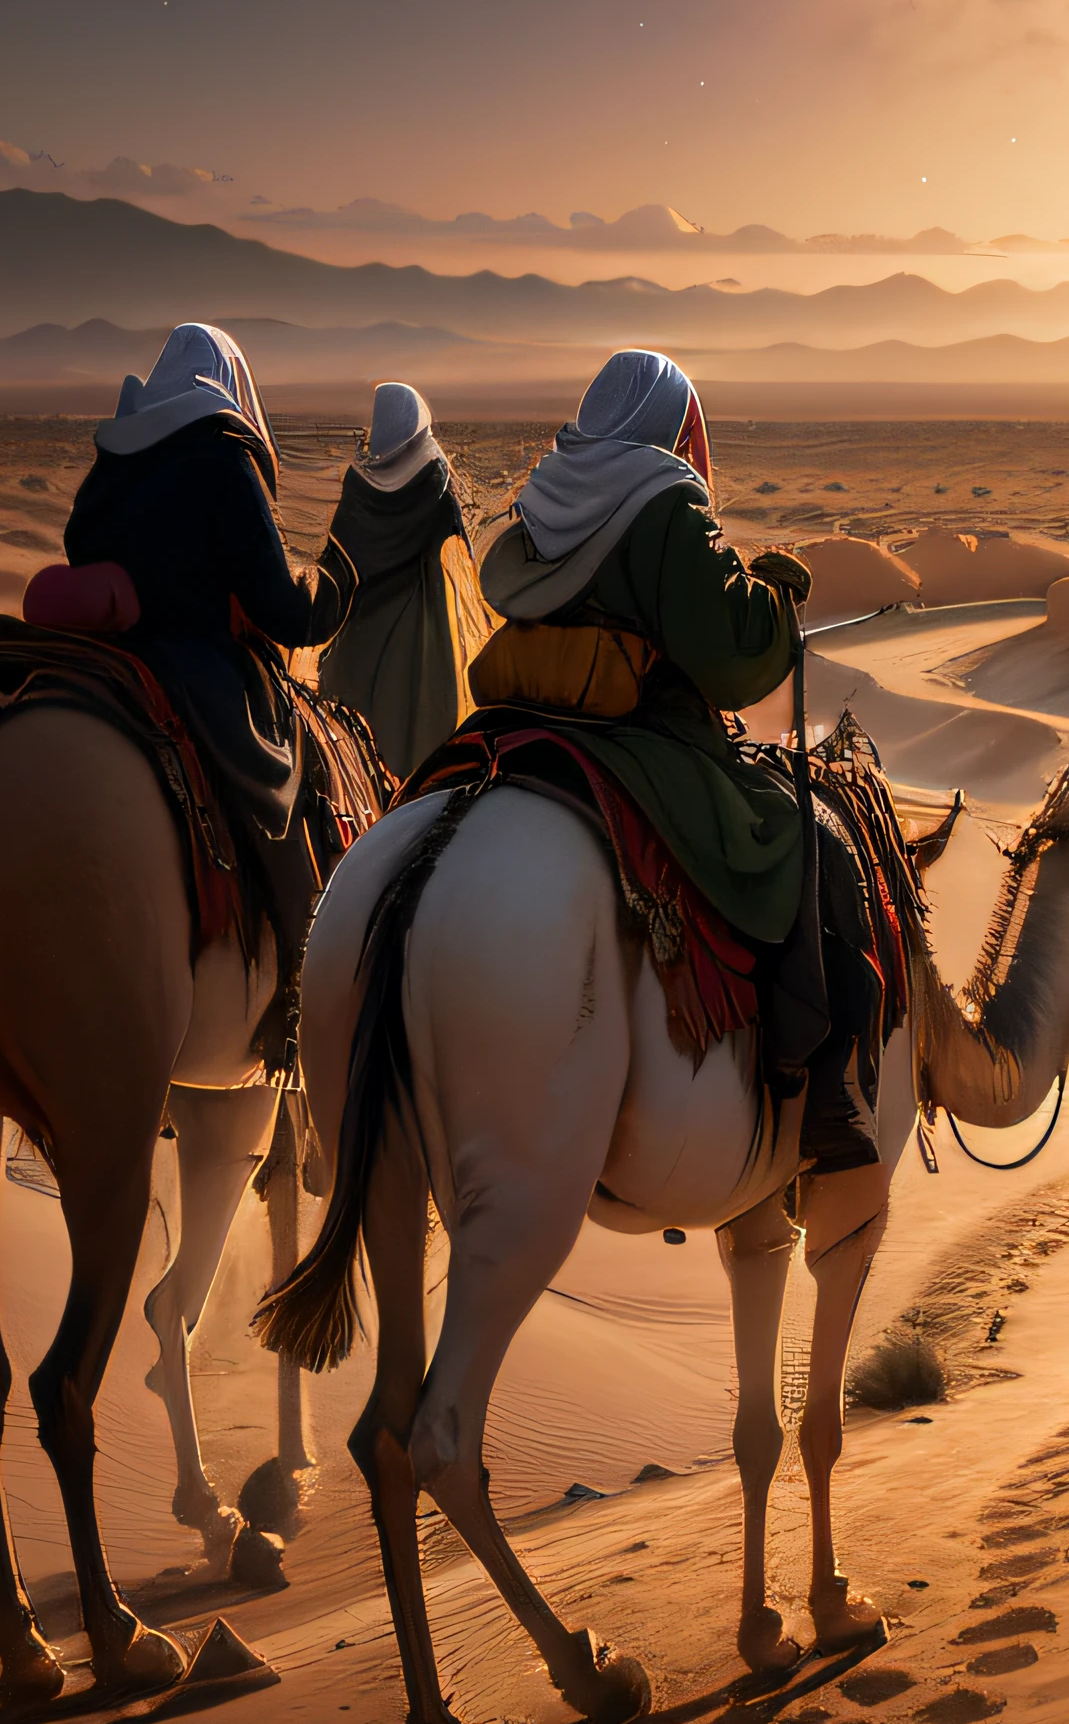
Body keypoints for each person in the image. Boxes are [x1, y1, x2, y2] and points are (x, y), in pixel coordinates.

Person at [476, 347, 877, 1172]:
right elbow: (732, 660)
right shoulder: (663, 502)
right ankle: (823, 1086)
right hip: (644, 738)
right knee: (811, 842)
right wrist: (776, 595)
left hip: (523, 722)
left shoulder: (549, 496)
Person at [61, 322, 354, 837]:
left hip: (97, 652)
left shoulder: (114, 458)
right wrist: (333, 590)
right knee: (273, 796)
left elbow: (78, 540)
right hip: (193, 663)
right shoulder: (222, 455)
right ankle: (295, 909)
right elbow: (281, 612)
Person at [317, 383, 483, 779]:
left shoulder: (358, 484)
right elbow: (463, 548)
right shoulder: (435, 478)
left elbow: (336, 564)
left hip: (358, 638)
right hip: (419, 636)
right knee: (417, 751)